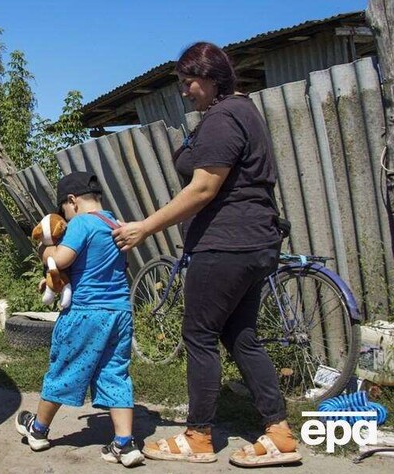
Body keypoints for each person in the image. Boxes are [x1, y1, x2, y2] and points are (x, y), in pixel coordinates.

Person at [112, 42, 302, 468]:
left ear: (213, 75)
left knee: (198, 336)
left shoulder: (223, 117)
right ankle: (279, 433)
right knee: (240, 337)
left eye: (189, 80)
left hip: (227, 244)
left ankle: (198, 436)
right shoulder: (241, 112)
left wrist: (146, 226)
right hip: (254, 244)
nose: (185, 90)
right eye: (182, 82)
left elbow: (202, 188)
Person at [15, 171, 145, 468]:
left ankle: (38, 429)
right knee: (116, 373)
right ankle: (124, 444)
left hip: (86, 313)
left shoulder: (81, 223)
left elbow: (60, 260)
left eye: (64, 211)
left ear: (72, 201)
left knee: (65, 367)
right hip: (119, 312)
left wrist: (45, 248)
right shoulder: (115, 224)